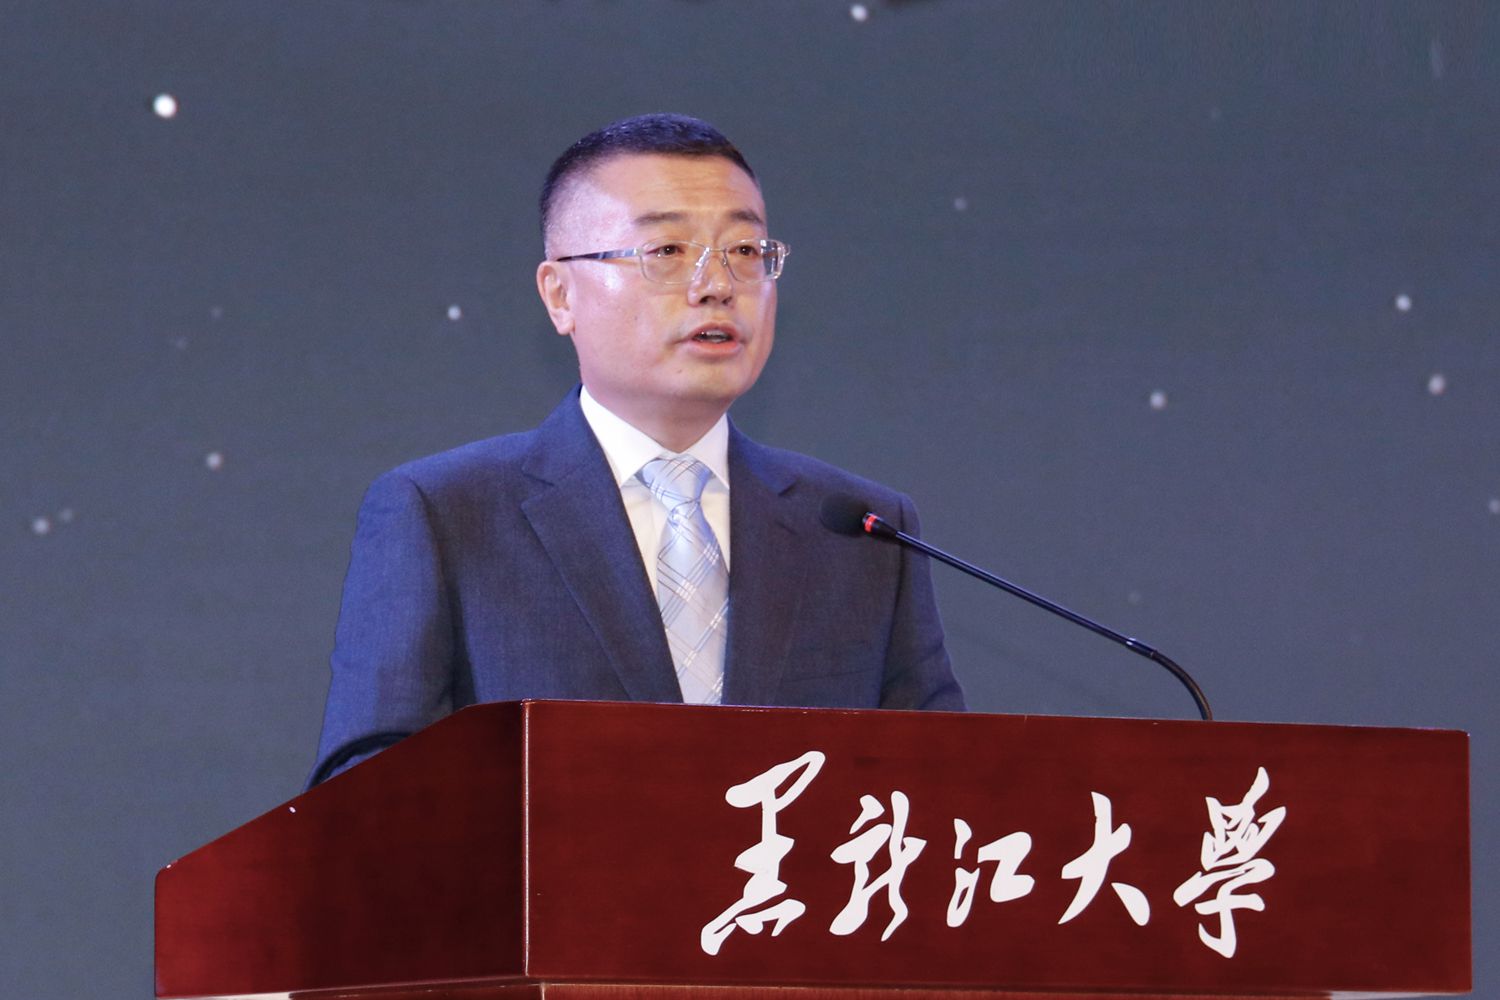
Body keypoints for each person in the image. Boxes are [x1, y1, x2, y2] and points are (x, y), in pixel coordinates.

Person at [309, 114, 964, 786]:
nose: (717, 285)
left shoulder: (863, 532)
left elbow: (945, 786)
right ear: (560, 295)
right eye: (667, 251)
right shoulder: (446, 514)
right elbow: (364, 790)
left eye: (744, 250)